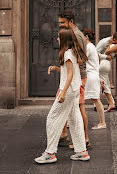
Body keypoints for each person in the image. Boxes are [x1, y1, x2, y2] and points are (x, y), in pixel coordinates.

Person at [35, 28, 90, 164]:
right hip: (75, 89)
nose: (57, 39)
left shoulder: (67, 54)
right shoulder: (72, 52)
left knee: (52, 118)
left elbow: (70, 75)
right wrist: (56, 68)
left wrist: (63, 92)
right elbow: (70, 71)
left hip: (69, 90)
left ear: (64, 40)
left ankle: (50, 153)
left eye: (59, 37)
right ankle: (82, 151)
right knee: (75, 119)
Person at [58, 11, 90, 149]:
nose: (60, 25)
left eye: (62, 22)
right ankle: (64, 134)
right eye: (59, 22)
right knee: (69, 106)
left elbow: (80, 57)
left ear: (70, 21)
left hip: (78, 76)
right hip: (75, 76)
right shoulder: (74, 33)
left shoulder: (75, 35)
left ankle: (85, 139)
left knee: (79, 108)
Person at [83, 28, 106, 129]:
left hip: (90, 75)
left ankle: (102, 122)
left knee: (95, 100)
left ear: (86, 37)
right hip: (93, 75)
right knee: (94, 99)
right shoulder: (91, 46)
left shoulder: (88, 47)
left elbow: (82, 59)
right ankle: (102, 122)